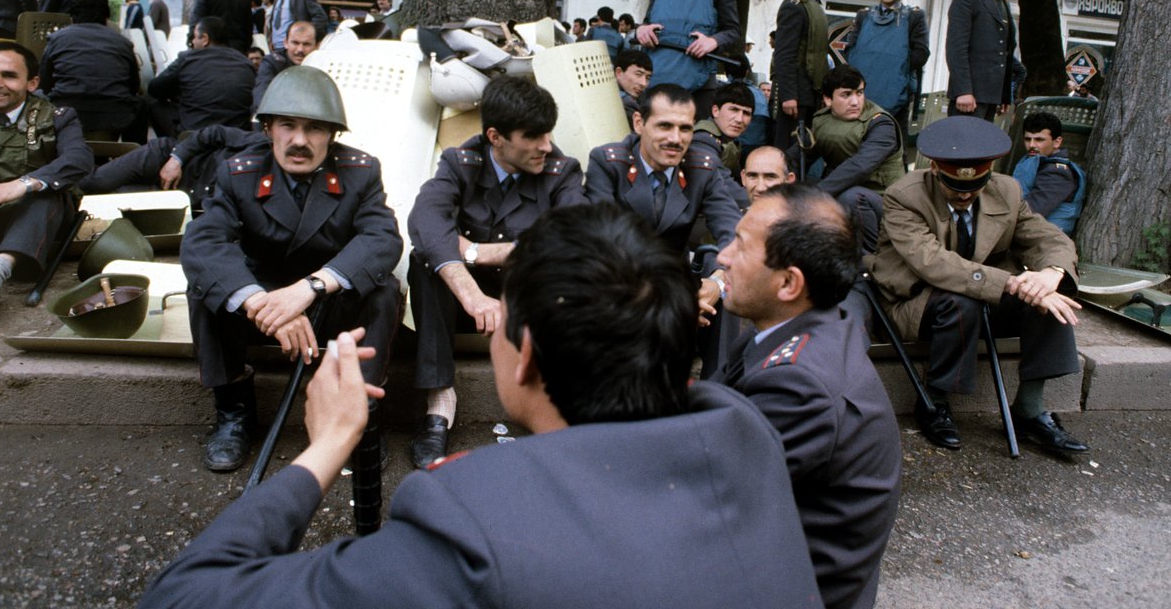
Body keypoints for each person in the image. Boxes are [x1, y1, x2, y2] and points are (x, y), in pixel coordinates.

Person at [139, 203, 821, 609]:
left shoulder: (473, 520)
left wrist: (327, 442)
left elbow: (186, 596)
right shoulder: (744, 433)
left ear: (521, 357)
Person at [180, 65, 402, 472]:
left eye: (315, 128)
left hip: (330, 306)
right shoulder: (238, 174)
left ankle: (362, 412)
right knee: (206, 288)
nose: (300, 141)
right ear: (267, 129)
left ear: (333, 135)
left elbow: (383, 238)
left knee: (386, 289)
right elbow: (203, 243)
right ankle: (234, 411)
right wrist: (261, 305)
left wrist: (309, 289)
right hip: (263, 307)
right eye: (288, 126)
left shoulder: (360, 172)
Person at [715, 184, 900, 609]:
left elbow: (709, 493)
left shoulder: (800, 384)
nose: (723, 257)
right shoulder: (802, 326)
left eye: (740, 246)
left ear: (787, 283)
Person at [870, 115, 1087, 455]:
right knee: (961, 301)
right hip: (918, 301)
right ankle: (935, 401)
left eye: (975, 186)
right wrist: (1013, 283)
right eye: (954, 187)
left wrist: (1052, 274)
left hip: (986, 295)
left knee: (1048, 298)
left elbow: (1047, 238)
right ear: (935, 172)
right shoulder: (904, 196)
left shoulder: (1008, 190)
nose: (965, 195)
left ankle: (1029, 410)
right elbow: (933, 263)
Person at [407, 75, 586, 468]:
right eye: (532, 136)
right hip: (468, 306)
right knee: (425, 260)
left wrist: (477, 251)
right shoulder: (460, 161)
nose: (545, 145)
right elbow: (425, 219)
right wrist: (471, 292)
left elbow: (570, 236)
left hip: (529, 300)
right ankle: (439, 401)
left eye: (548, 134)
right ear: (495, 136)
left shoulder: (562, 170)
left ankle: (553, 399)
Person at [586, 83, 742, 374]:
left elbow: (734, 234)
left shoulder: (702, 167)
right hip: (623, 280)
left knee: (718, 270)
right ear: (639, 123)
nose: (676, 139)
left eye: (685, 129)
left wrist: (716, 284)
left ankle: (718, 390)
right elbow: (603, 240)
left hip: (679, 279)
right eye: (664, 126)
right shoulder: (609, 162)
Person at [0, 42, 93, 321]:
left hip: (37, 224)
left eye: (9, 76)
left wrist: (21, 185)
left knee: (49, 192)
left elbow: (79, 159)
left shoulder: (58, 117)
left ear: (32, 82)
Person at [785, 64, 905, 253]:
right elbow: (795, 158)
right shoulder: (822, 121)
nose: (856, 102)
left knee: (852, 196)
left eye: (859, 93)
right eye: (846, 95)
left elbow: (860, 166)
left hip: (884, 203)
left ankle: (874, 257)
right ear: (827, 99)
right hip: (843, 193)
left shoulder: (880, 124)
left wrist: (816, 195)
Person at [80, 123, 260, 214]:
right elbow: (212, 133)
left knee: (109, 203)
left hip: (175, 195)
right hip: (165, 159)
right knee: (95, 182)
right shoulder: (258, 143)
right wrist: (177, 160)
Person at [38, 0, 143, 141]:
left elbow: (44, 83)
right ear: (106, 19)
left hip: (64, 114)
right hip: (116, 118)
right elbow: (134, 87)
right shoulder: (123, 43)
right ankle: (133, 155)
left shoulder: (56, 39)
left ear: (72, 18)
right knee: (142, 104)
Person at [945, 0, 1026, 120]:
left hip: (991, 97)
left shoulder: (1002, 2)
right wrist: (963, 91)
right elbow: (956, 50)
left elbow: (1004, 52)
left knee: (985, 148)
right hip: (969, 98)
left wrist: (1005, 94)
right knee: (963, 147)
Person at [845, 0, 929, 135]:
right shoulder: (864, 15)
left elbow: (921, 53)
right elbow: (851, 51)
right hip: (864, 96)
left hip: (896, 97)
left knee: (894, 146)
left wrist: (897, 70)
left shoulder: (914, 16)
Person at [147, 16, 255, 136]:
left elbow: (154, 88)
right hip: (237, 135)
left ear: (205, 39)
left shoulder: (188, 59)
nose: (192, 42)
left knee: (156, 106)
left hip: (194, 136)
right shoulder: (246, 63)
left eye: (194, 37)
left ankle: (173, 149)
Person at [773, 0, 829, 150]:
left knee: (804, 152)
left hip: (810, 94)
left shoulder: (815, 5)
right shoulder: (794, 6)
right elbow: (783, 54)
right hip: (795, 96)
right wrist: (788, 95)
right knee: (787, 152)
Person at [1012, 111, 1085, 235]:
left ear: (1057, 142)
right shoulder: (1037, 162)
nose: (1032, 145)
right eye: (1027, 139)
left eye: (1039, 140)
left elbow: (1031, 211)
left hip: (1044, 239)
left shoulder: (1058, 173)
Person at [693, 81, 754, 179]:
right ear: (716, 111)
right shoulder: (702, 140)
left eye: (746, 113)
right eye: (734, 110)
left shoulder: (729, 142)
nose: (739, 119)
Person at [252, 20, 318, 110]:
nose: (300, 50)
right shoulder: (272, 63)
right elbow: (261, 98)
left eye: (306, 44)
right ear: (286, 43)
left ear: (316, 46)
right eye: (295, 43)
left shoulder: (322, 65)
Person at [612, 47, 651, 129]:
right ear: (619, 73)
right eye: (638, 74)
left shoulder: (641, 99)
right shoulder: (627, 105)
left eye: (647, 77)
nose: (644, 84)